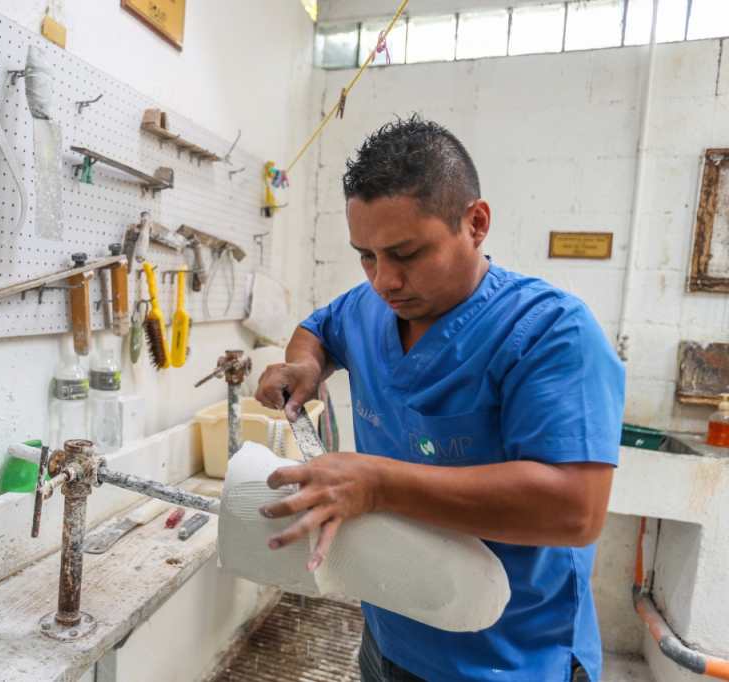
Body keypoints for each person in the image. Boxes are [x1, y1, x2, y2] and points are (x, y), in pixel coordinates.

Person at [254, 115, 625, 682]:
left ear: (475, 224)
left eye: (406, 253)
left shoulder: (550, 331)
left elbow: (576, 510)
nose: (384, 280)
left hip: (507, 658)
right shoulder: (370, 307)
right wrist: (305, 364)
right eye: (366, 255)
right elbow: (319, 328)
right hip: (391, 625)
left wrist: (377, 484)